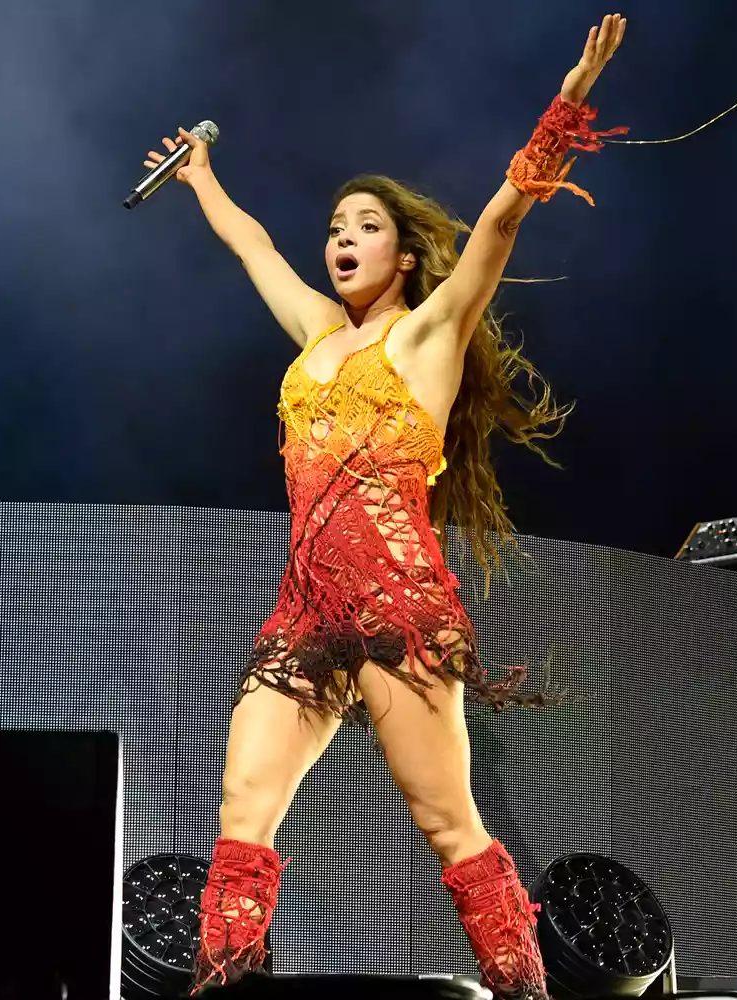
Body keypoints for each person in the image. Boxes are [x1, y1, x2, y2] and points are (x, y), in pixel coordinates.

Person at [141, 14, 628, 999]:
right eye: (335, 229)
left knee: (451, 825)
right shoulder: (317, 333)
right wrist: (199, 179)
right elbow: (254, 248)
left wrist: (569, 98)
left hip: (400, 612)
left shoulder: (431, 337)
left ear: (404, 254)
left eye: (365, 225)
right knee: (243, 810)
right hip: (306, 615)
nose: (341, 240)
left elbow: (499, 222)